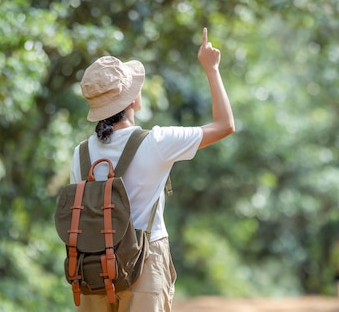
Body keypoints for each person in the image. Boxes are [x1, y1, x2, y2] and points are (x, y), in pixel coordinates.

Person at [70, 27, 235, 312]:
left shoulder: (81, 153)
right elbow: (225, 125)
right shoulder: (156, 142)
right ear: (132, 100)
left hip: (94, 269)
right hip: (143, 268)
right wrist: (212, 69)